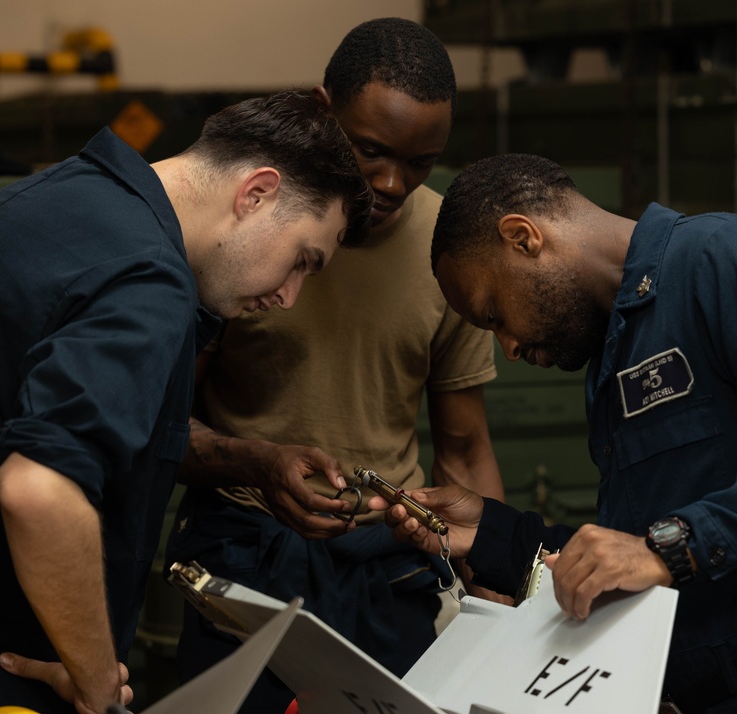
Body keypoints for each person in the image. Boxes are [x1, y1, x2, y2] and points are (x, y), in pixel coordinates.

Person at [375, 153, 737, 713]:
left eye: (494, 315)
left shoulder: (721, 258)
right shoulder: (611, 360)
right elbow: (627, 556)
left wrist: (674, 546)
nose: (507, 348)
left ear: (524, 238)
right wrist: (494, 536)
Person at [0, 90, 372, 714]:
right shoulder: (149, 280)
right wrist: (96, 676)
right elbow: (38, 489)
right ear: (257, 193)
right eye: (302, 260)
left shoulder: (58, 199)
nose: (289, 296)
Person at [164, 17, 505, 714]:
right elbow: (159, 425)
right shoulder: (241, 229)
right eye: (372, 150)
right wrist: (254, 463)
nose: (391, 182)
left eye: (419, 162)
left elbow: (465, 448)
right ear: (322, 108)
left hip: (391, 570)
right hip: (244, 555)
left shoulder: (447, 251)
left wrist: (496, 582)